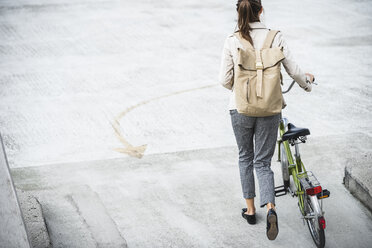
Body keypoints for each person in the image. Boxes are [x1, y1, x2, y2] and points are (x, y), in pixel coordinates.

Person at [219, 0, 315, 241]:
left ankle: (250, 210)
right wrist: (307, 84)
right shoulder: (276, 37)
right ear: (261, 10)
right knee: (262, 161)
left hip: (240, 108)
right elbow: (294, 71)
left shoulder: (232, 40)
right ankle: (271, 207)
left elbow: (224, 79)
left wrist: (241, 90)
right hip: (270, 109)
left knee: (245, 156)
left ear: (239, 12)